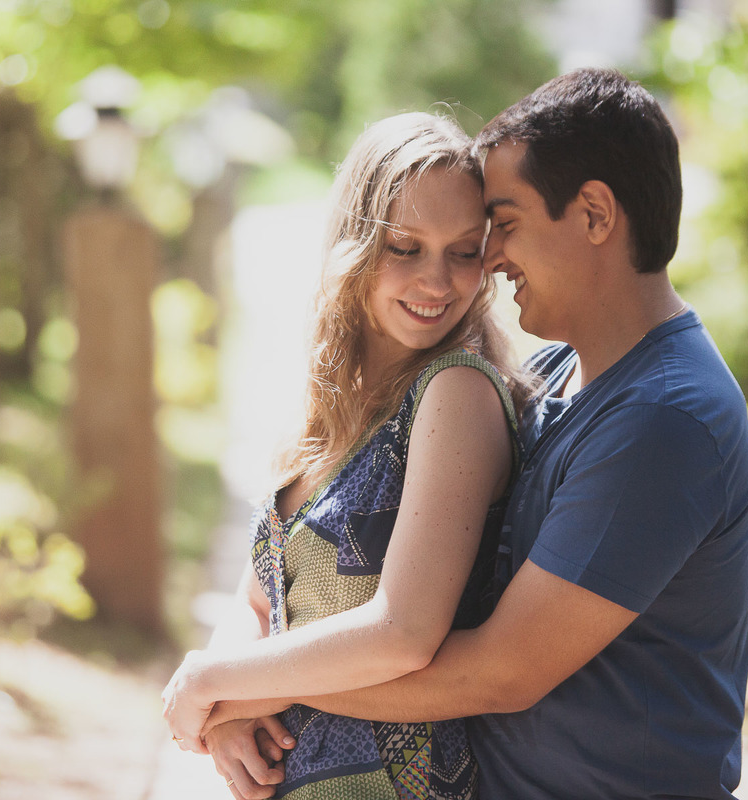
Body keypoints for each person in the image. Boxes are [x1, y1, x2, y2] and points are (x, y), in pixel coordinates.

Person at [204, 67, 748, 800]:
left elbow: (499, 673)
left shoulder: (664, 417)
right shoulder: (558, 374)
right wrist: (237, 690)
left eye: (505, 224)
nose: (491, 259)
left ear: (595, 215)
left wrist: (237, 689)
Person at [162, 111, 537, 799]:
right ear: (356, 242)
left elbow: (403, 632)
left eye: (463, 252)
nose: (437, 281)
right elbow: (257, 600)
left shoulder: (455, 392)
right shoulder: (331, 403)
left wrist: (214, 683)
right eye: (405, 247)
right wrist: (227, 712)